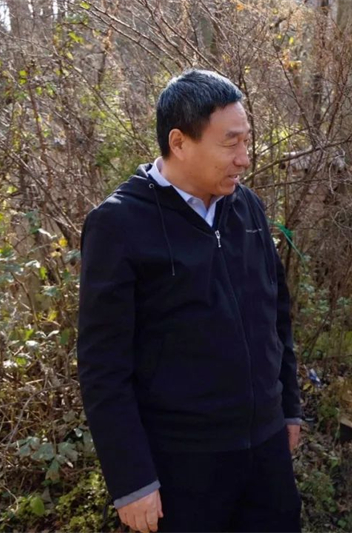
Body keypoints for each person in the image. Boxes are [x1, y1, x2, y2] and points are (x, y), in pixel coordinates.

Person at [77, 70, 302, 533]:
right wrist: (132, 479)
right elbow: (103, 367)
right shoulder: (119, 225)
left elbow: (275, 314)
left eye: (246, 141)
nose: (244, 158)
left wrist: (288, 407)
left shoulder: (247, 207)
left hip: (266, 454)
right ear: (179, 142)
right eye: (230, 143)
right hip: (182, 465)